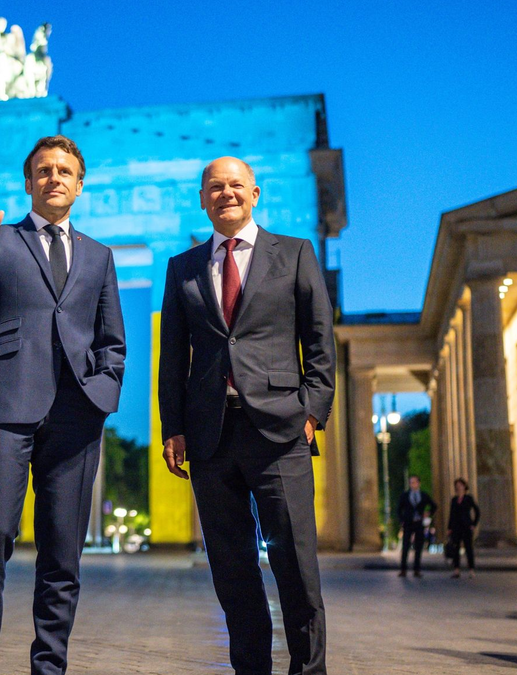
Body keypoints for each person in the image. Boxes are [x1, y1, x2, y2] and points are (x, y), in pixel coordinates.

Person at [0, 135, 126, 675]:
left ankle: (49, 666)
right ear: (29, 183)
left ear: (79, 183)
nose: (54, 178)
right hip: (4, 405)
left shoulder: (99, 255)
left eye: (64, 170)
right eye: (43, 170)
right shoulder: (0, 242)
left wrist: (104, 392)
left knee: (63, 551)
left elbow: (111, 338)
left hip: (77, 415)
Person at [158, 156, 335, 675]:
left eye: (236, 185)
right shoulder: (182, 267)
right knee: (233, 572)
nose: (226, 194)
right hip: (211, 437)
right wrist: (174, 428)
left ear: (255, 194)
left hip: (280, 430)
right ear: (203, 199)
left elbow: (321, 344)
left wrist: (312, 413)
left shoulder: (296, 253)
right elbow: (173, 358)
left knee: (296, 568)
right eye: (215, 187)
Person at [397, 475, 437, 577]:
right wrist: (402, 520)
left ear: (418, 483)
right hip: (408, 523)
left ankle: (417, 569)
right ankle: (403, 569)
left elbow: (434, 505)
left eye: (414, 482)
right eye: (411, 482)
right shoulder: (405, 495)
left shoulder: (423, 495)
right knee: (405, 546)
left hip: (419, 523)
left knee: (418, 547)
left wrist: (428, 513)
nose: (412, 484)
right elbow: (398, 509)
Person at [446, 477, 480, 578]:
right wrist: (449, 528)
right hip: (456, 527)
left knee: (468, 548)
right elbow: (451, 515)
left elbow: (477, 511)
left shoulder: (468, 498)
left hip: (466, 526)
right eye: (457, 485)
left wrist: (473, 524)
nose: (458, 487)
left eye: (460, 485)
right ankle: (456, 570)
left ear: (464, 486)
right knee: (455, 548)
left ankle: (471, 570)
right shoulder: (454, 500)